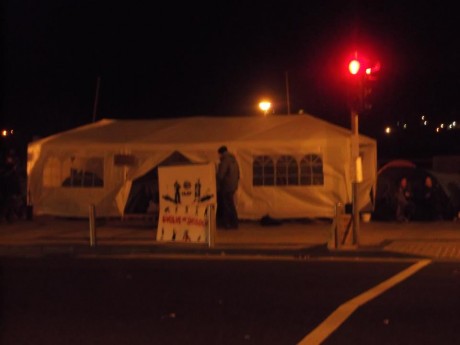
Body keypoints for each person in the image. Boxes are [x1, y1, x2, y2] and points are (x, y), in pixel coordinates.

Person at [216, 145, 240, 229]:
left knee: (227, 205)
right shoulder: (234, 160)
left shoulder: (225, 161)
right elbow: (238, 174)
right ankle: (234, 223)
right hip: (233, 186)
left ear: (221, 153)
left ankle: (228, 224)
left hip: (226, 186)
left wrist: (216, 179)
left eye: (219, 154)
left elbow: (220, 175)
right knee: (231, 204)